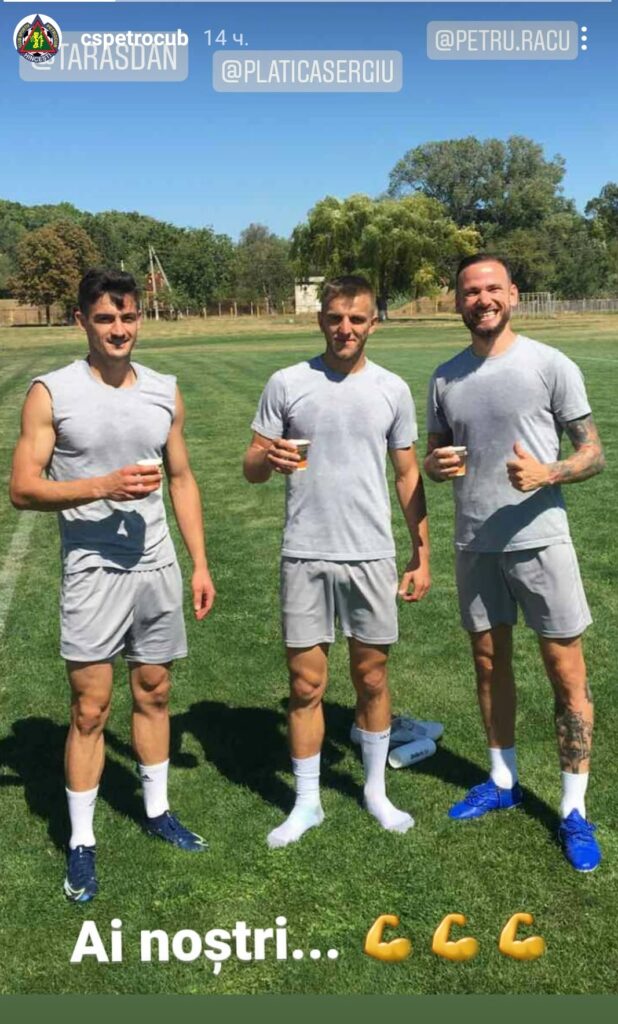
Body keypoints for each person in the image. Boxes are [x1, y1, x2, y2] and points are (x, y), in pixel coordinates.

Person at [9, 268, 216, 902]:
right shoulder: (52, 393)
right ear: (82, 322)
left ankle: (157, 811)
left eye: (127, 317)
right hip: (92, 572)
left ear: (139, 319)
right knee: (90, 709)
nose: (118, 329)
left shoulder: (164, 390)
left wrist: (199, 563)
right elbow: (22, 488)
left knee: (154, 692)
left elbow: (181, 478)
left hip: (156, 568)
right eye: (104, 318)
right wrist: (102, 486)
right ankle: (81, 841)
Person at [424, 254, 605, 871]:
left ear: (514, 295)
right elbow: (436, 455)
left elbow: (593, 453)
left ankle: (573, 809)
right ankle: (502, 780)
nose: (482, 299)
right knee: (488, 663)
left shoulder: (550, 364)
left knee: (565, 672)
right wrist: (435, 465)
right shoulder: (445, 378)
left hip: (541, 541)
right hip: (475, 544)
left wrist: (548, 472)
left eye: (492, 288)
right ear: (458, 302)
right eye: (471, 291)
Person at [243, 275, 430, 848]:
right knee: (305, 684)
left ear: (373, 323)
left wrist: (421, 552)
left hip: (371, 554)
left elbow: (407, 474)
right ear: (320, 320)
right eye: (335, 318)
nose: (345, 329)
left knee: (371, 678)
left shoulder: (392, 389)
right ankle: (307, 803)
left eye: (356, 319)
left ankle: (375, 791)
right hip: (305, 553)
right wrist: (267, 458)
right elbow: (251, 466)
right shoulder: (287, 383)